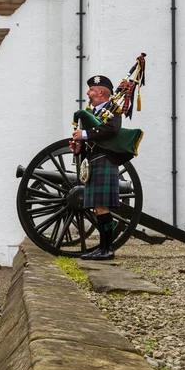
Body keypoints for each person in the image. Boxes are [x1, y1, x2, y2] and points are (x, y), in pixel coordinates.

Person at [69, 75, 132, 260]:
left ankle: (108, 249)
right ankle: (103, 248)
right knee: (98, 208)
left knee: (102, 208)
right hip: (94, 161)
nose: (88, 93)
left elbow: (111, 131)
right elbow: (92, 143)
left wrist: (86, 133)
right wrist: (79, 147)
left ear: (101, 92)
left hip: (105, 160)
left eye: (91, 90)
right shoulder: (93, 113)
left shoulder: (114, 110)